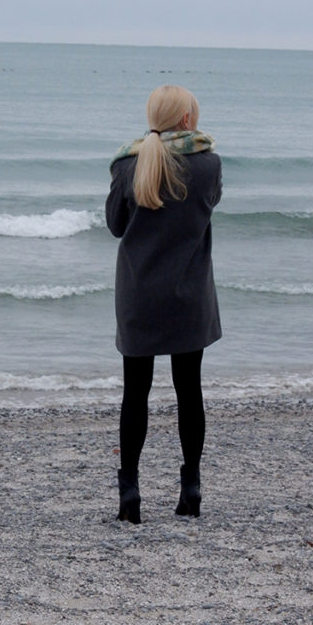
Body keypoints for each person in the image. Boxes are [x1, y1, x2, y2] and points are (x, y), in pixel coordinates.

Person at [105, 85, 222, 523]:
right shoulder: (208, 163)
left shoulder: (126, 164)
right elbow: (207, 207)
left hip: (138, 294)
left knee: (136, 391)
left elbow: (116, 226)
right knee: (189, 390)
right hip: (189, 295)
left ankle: (130, 493)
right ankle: (190, 487)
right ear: (187, 120)